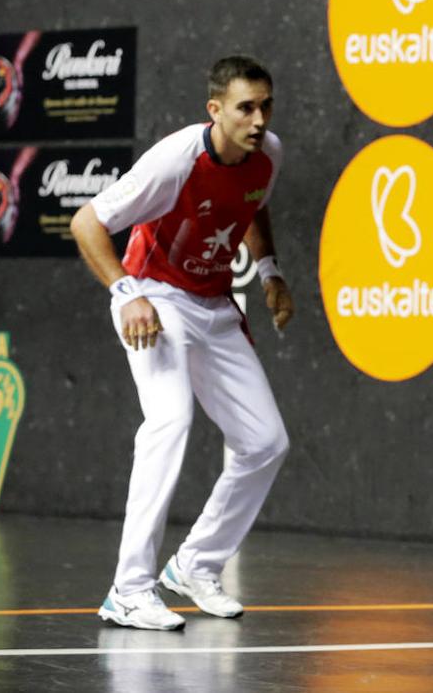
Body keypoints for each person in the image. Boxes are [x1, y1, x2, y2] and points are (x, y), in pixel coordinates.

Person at [70, 55, 294, 631]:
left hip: (215, 304)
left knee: (265, 441)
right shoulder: (175, 160)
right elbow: (87, 223)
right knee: (169, 422)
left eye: (266, 105)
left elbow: (252, 206)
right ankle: (129, 589)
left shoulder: (267, 154)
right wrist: (126, 292)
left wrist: (269, 271)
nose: (259, 118)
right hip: (154, 296)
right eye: (246, 107)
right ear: (214, 110)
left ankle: (195, 564)